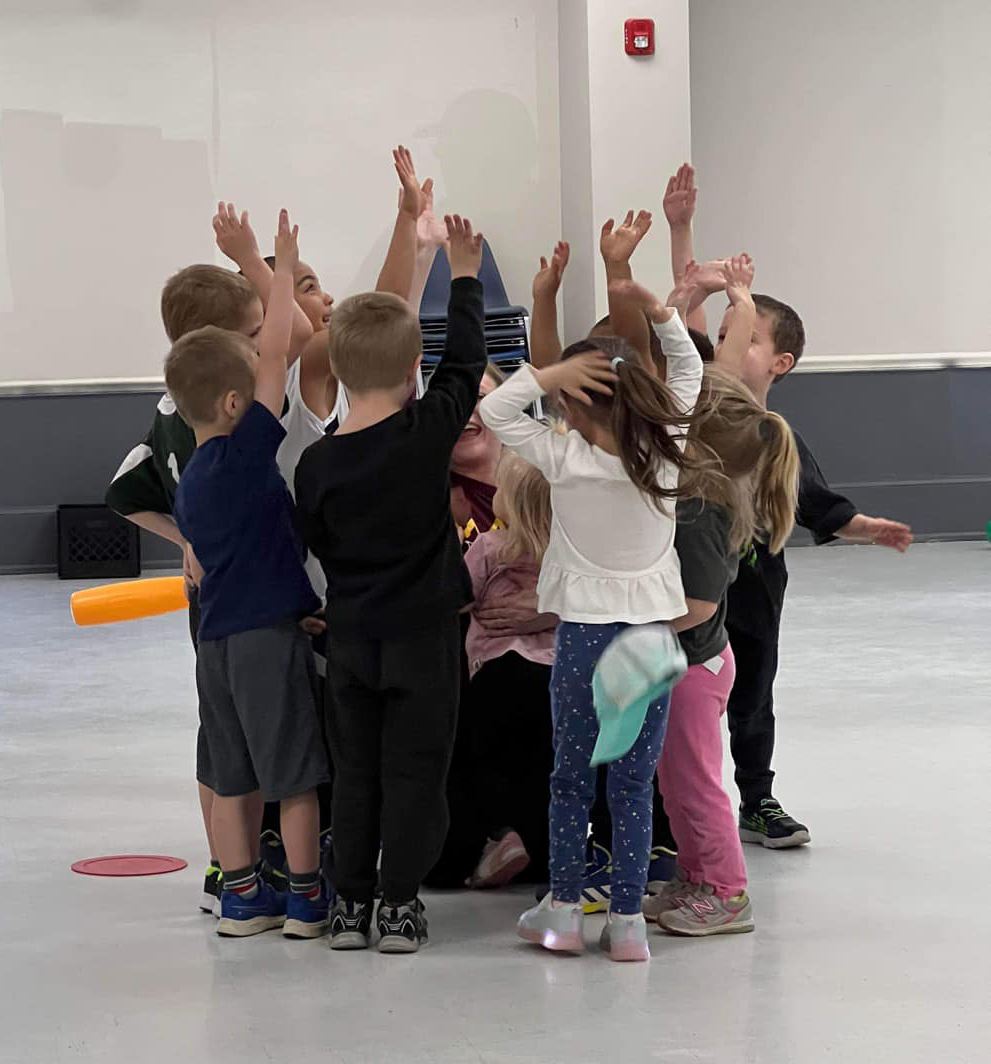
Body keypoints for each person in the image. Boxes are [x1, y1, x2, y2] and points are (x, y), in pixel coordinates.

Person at [661, 166, 914, 845]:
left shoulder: (779, 439)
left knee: (752, 695)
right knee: (687, 695)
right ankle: (679, 799)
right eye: (722, 336)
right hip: (693, 585)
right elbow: (684, 321)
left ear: (781, 363)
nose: (724, 345)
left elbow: (817, 505)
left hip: (755, 586)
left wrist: (867, 529)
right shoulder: (697, 412)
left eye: (745, 339)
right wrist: (680, 228)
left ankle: (758, 797)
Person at [479, 278, 707, 963]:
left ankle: (563, 911)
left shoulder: (564, 458)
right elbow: (691, 368)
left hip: (583, 636)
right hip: (650, 636)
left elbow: (495, 410)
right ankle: (629, 921)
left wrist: (544, 371)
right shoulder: (665, 445)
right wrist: (663, 312)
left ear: (572, 405)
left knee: (571, 777)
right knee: (633, 783)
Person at [294, 214, 488, 954]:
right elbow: (465, 366)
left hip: (350, 643)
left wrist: (315, 608)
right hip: (424, 639)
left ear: (337, 371)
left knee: (355, 774)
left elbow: (306, 542)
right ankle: (400, 904)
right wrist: (462, 275)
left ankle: (349, 906)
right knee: (415, 773)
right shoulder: (425, 433)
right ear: (413, 370)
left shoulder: (316, 466)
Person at [169, 210, 331, 939]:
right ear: (233, 405)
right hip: (268, 641)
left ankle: (240, 897)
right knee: (293, 771)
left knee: (233, 773)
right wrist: (280, 262)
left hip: (213, 645)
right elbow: (275, 358)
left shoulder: (192, 479)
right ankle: (304, 897)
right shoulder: (246, 454)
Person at [646, 268, 800, 936]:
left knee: (697, 784)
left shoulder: (703, 507)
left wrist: (631, 621)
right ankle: (694, 875)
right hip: (678, 665)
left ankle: (728, 892)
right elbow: (705, 369)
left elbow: (699, 608)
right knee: (675, 786)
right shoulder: (694, 481)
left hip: (692, 665)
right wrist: (695, 297)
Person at [462, 453, 557, 889]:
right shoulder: (562, 555)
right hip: (552, 674)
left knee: (489, 761)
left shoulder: (488, 548)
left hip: (496, 672)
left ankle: (499, 837)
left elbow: (460, 597)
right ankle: (543, 851)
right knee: (542, 765)